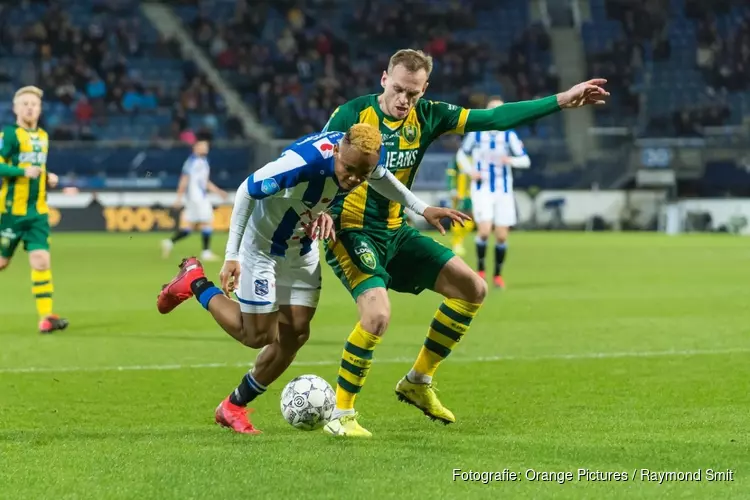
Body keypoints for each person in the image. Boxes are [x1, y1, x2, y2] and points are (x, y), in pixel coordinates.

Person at [320, 49, 608, 437]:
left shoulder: (430, 115)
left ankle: (418, 382)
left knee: (473, 289)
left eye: (414, 93)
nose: (405, 100)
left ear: (425, 90)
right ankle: (342, 415)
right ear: (384, 79)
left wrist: (562, 99)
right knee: (377, 316)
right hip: (350, 229)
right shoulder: (350, 115)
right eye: (400, 89)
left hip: (397, 229)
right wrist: (316, 210)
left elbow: (494, 118)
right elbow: (317, 163)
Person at [156, 124, 469, 434]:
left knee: (295, 334)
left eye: (361, 174)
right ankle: (195, 281)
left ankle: (233, 406)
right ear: (336, 151)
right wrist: (231, 255)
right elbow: (247, 190)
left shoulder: (363, 158)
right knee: (257, 336)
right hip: (261, 248)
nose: (352, 179)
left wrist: (422, 208)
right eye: (348, 170)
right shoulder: (302, 163)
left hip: (302, 248)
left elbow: (382, 178)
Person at [0, 86, 68, 333]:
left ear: (40, 109)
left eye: (34, 104)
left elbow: (36, 168)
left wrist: (48, 177)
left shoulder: (43, 136)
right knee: (2, 262)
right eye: (25, 103)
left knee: (41, 261)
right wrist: (21, 172)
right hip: (10, 212)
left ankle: (46, 318)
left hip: (37, 212)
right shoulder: (9, 135)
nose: (30, 107)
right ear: (16, 108)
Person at [456, 97, 531, 289]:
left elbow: (525, 160)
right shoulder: (476, 134)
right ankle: (480, 270)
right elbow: (461, 154)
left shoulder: (509, 135)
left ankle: (497, 275)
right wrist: (470, 170)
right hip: (482, 190)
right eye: (493, 110)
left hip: (503, 191)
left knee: (502, 237)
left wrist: (511, 161)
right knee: (483, 230)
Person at [161, 134, 228, 262]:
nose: (205, 148)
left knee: (189, 227)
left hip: (198, 197)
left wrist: (218, 191)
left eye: (206, 146)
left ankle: (169, 242)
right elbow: (184, 180)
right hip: (196, 198)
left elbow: (205, 182)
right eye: (203, 146)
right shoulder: (192, 162)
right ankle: (206, 252)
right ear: (195, 148)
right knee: (207, 222)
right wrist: (179, 197)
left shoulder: (204, 162)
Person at [446, 157, 474, 256]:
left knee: (470, 221)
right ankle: (456, 243)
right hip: (460, 194)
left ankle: (459, 240)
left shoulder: (476, 157)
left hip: (472, 194)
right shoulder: (458, 159)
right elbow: (450, 175)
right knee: (458, 217)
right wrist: (452, 190)